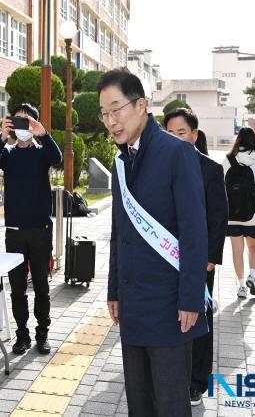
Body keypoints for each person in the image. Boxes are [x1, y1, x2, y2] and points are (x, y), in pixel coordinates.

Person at [100, 69, 208, 417]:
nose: (110, 121)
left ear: (142, 105)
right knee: (140, 403)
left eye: (116, 109)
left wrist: (192, 298)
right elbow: (120, 230)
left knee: (171, 404)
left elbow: (194, 232)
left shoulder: (176, 153)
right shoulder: (121, 161)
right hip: (133, 304)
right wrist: (114, 289)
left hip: (171, 307)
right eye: (104, 113)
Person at [0, 103, 62, 355]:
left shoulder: (42, 153)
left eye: (27, 122)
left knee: (41, 285)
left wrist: (43, 133)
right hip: (15, 232)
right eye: (18, 121)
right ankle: (22, 335)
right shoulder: (8, 154)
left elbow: (57, 159)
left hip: (40, 230)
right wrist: (2, 137)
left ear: (35, 125)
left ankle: (42, 333)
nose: (23, 126)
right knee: (17, 287)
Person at [164, 108, 229, 406]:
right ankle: (170, 374)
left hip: (198, 260)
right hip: (165, 257)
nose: (176, 138)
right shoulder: (159, 167)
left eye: (182, 132)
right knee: (169, 316)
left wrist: (210, 257)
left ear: (194, 134)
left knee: (199, 319)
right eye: (170, 133)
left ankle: (197, 381)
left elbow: (219, 218)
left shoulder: (211, 170)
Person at [222, 127, 255, 299]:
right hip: (253, 216)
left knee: (237, 251)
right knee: (254, 247)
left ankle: (242, 286)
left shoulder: (228, 160)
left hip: (232, 216)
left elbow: (219, 185)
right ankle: (252, 275)